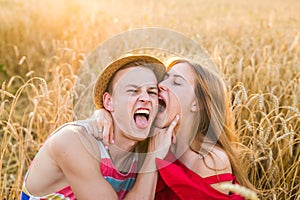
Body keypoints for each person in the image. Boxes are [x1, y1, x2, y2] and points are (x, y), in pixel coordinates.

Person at [92, 57, 256, 199]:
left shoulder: (210, 160)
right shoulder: (146, 135)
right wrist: (103, 113)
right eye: (164, 79)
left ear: (196, 103)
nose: (161, 85)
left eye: (176, 82)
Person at [20, 54, 178, 199]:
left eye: (151, 92)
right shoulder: (73, 140)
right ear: (109, 102)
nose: (145, 98)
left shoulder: (147, 145)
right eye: (133, 90)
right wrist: (152, 159)